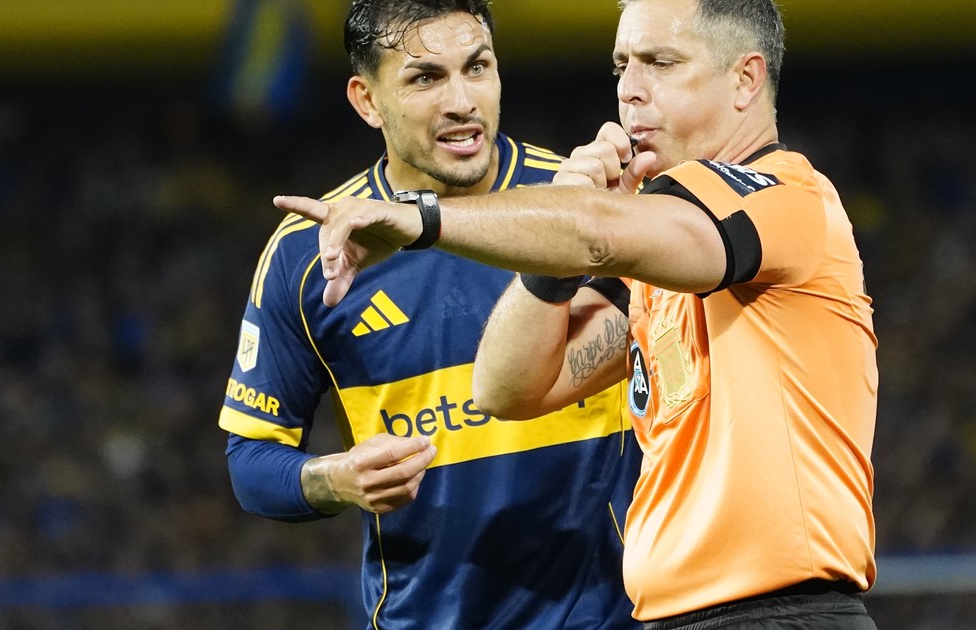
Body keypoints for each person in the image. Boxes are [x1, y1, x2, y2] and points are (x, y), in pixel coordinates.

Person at [274, 0, 879, 628]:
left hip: (782, 613)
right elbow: (505, 388)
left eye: (660, 63)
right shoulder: (661, 272)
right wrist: (557, 256)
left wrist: (422, 218)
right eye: (622, 66)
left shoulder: (788, 199)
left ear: (745, 79)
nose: (629, 90)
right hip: (683, 617)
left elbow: (599, 235)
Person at [219, 1, 642, 628]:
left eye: (477, 67)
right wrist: (336, 479)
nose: (462, 101)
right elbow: (251, 462)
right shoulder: (310, 253)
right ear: (367, 100)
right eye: (426, 78)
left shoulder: (585, 209)